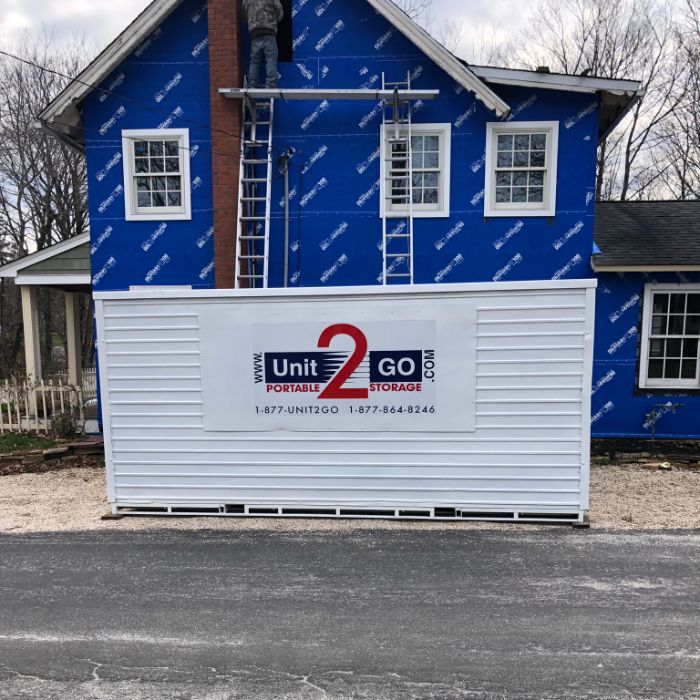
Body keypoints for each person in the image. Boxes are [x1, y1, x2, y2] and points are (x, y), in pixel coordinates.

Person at [242, 0, 284, 89]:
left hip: (254, 34)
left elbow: (244, 14)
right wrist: (273, 20)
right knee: (271, 59)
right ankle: (271, 85)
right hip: (269, 32)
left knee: (254, 62)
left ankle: (252, 85)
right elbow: (279, 12)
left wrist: (252, 21)